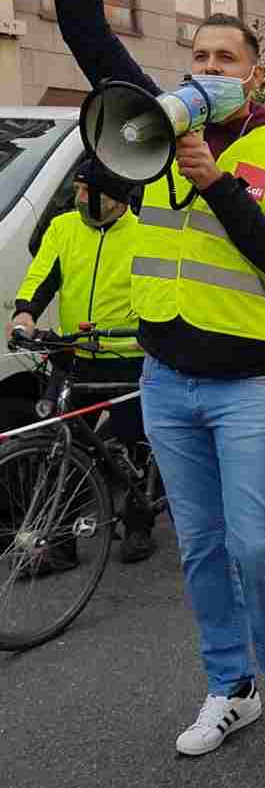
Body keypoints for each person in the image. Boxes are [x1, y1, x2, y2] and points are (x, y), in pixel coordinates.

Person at [32, 0, 265, 768]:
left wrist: (215, 180)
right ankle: (229, 686)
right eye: (197, 51)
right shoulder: (149, 123)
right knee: (200, 552)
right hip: (166, 381)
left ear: (254, 75)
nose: (208, 66)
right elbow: (82, 23)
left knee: (258, 549)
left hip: (245, 387)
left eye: (226, 57)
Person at [7, 158, 156, 564]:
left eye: (93, 193)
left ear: (120, 199)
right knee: (60, 448)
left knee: (135, 444)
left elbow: (157, 295)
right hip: (74, 356)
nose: (82, 198)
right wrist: (25, 312)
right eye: (79, 189)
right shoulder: (63, 227)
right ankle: (58, 543)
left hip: (127, 356)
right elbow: (42, 275)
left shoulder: (144, 235)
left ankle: (139, 521)